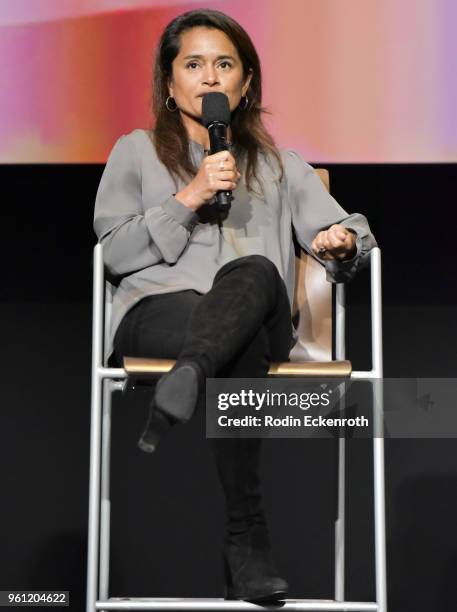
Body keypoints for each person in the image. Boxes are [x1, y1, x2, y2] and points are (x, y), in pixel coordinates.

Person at [93, 8, 377, 602]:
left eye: (225, 64)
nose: (210, 77)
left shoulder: (279, 166)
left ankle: (192, 375)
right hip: (162, 318)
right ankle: (247, 539)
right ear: (169, 84)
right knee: (233, 336)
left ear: (245, 84)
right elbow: (114, 253)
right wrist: (190, 196)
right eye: (193, 64)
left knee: (251, 275)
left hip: (253, 317)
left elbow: (347, 232)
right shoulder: (136, 152)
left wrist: (340, 241)